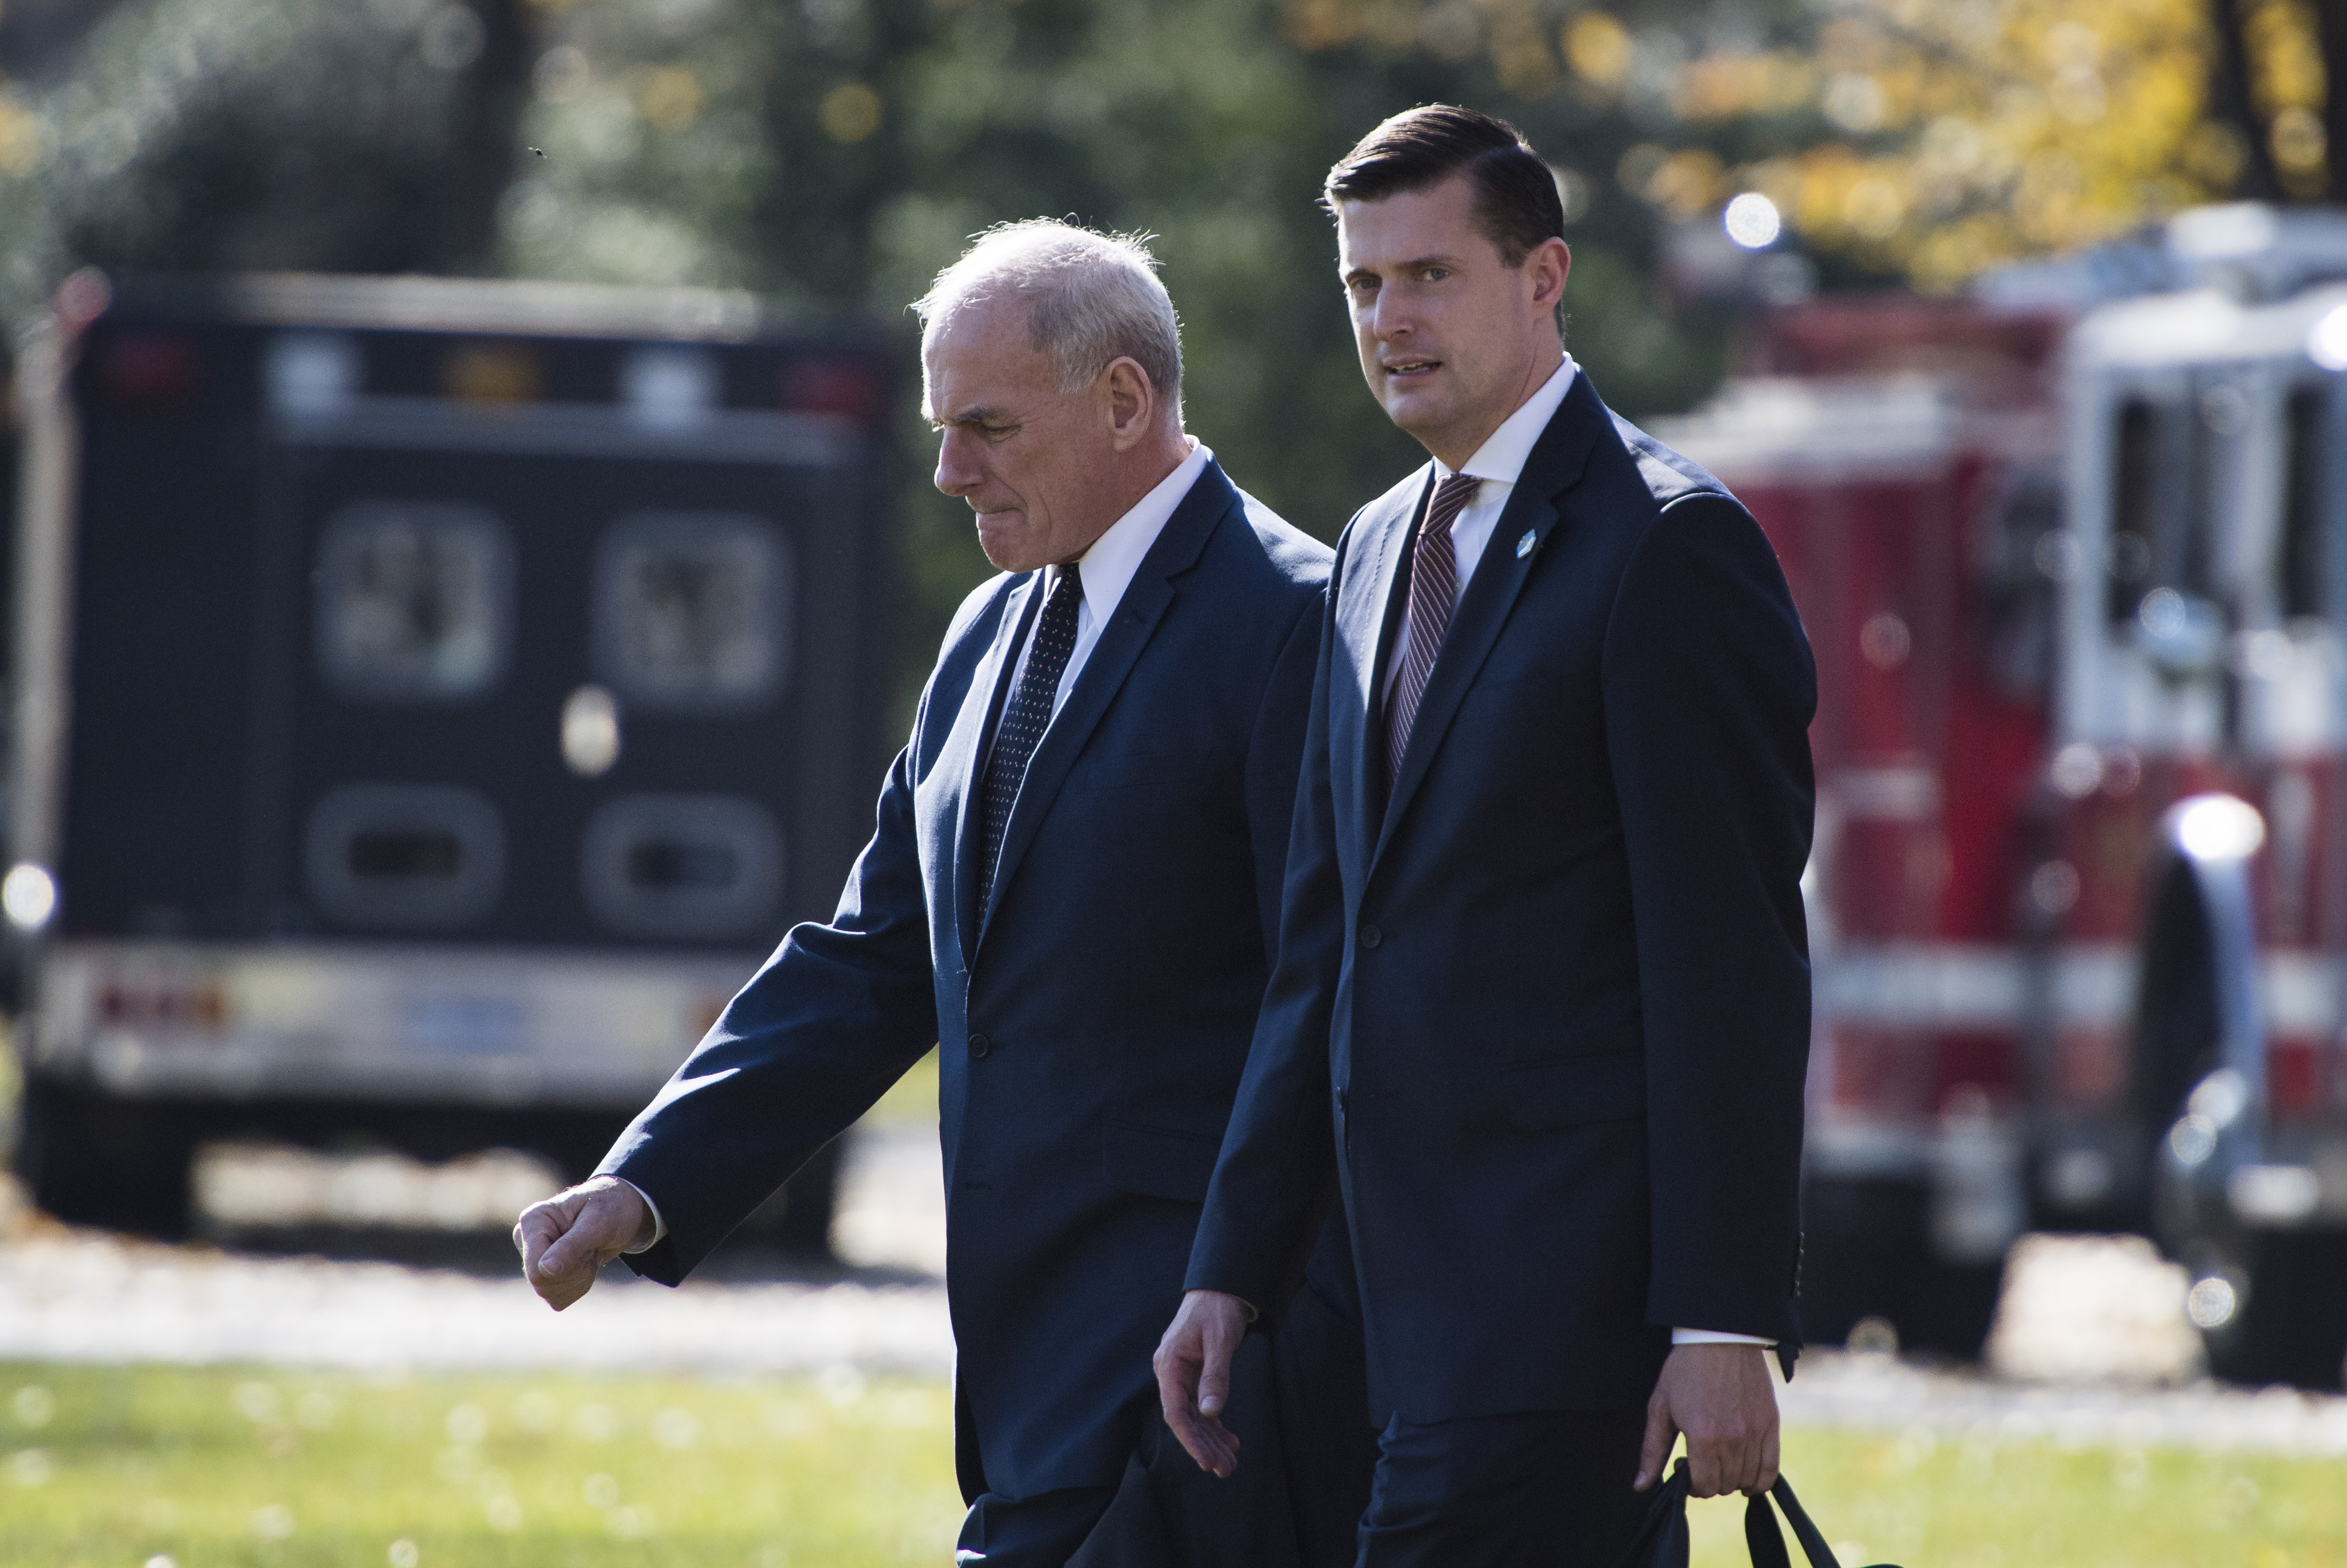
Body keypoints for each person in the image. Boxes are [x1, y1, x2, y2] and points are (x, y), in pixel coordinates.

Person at [515, 220, 1371, 1566]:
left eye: (985, 426)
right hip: (1025, 1373)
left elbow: (1325, 1015)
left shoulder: (1294, 622)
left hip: (1202, 1386)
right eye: (938, 424)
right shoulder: (989, 626)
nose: (943, 468)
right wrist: (645, 1184)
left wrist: (1249, 1307)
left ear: (1124, 401)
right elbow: (873, 958)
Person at [1154, 106, 1816, 1566]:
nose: (1391, 319)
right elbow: (1322, 944)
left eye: (1431, 275)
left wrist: (1723, 1321)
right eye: (1364, 286)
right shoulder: (1378, 545)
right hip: (1351, 1326)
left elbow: (1731, 967)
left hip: (1558, 1332)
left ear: (1544, 278)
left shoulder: (1669, 549)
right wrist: (1232, 1268)